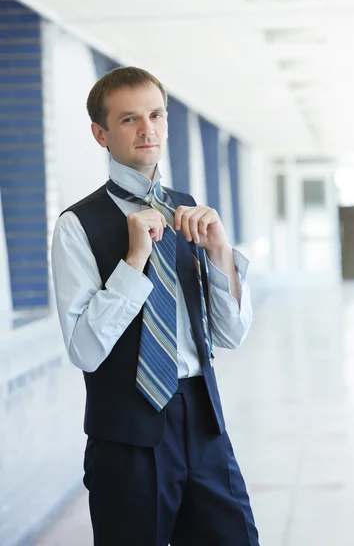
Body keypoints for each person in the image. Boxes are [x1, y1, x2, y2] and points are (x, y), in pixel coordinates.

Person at [51, 66, 259, 546]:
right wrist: (133, 260)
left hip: (205, 425)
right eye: (128, 119)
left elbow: (230, 335)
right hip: (127, 436)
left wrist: (221, 254)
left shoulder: (190, 212)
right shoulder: (76, 225)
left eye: (156, 115)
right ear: (100, 133)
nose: (147, 129)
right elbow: (84, 350)